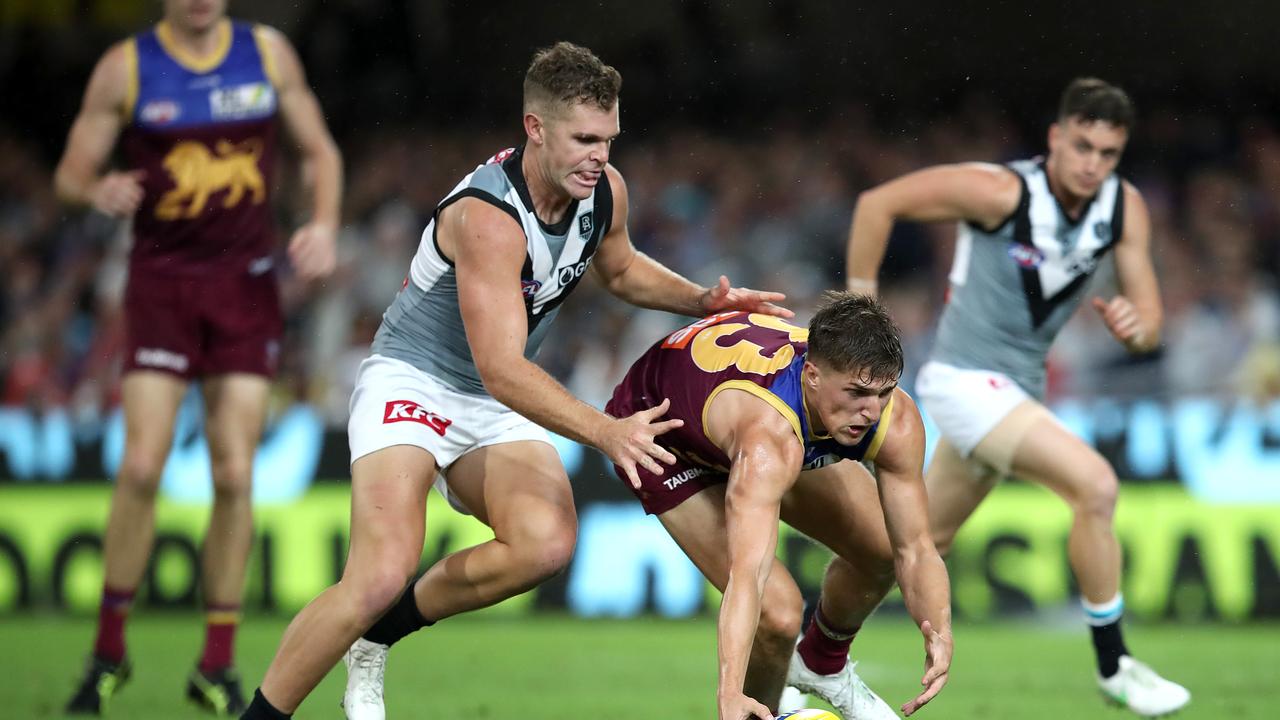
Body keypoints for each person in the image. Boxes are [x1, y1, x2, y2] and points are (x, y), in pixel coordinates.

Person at [239, 41, 789, 720]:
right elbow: (501, 368)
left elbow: (619, 269)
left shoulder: (602, 192)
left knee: (545, 545)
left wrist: (701, 299)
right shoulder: (488, 219)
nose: (600, 156)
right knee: (379, 573)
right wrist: (604, 431)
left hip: (492, 390)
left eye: (609, 140)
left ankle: (377, 639)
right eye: (584, 139)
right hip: (414, 382)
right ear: (535, 128)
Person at [844, 77, 1190, 717]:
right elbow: (876, 204)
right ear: (1056, 138)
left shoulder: (1123, 208)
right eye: (1082, 146)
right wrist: (862, 310)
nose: (1093, 164)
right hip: (965, 380)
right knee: (1095, 486)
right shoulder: (1001, 191)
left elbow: (1150, 318)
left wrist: (1139, 327)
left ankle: (807, 655)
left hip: (1016, 389)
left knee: (906, 545)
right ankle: (1116, 665)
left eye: (1108, 153)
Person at [55, 0, 342, 715]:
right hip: (161, 286)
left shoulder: (269, 53)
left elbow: (321, 151)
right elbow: (69, 174)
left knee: (235, 472)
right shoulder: (125, 68)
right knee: (143, 465)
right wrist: (96, 189)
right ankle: (108, 653)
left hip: (244, 290)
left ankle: (214, 664)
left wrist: (325, 222)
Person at [607, 294, 953, 720]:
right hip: (663, 436)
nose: (871, 411)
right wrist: (730, 690)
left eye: (884, 392)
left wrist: (940, 630)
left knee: (883, 547)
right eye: (858, 392)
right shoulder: (769, 442)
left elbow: (916, 548)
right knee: (779, 614)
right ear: (811, 376)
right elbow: (748, 575)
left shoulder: (891, 418)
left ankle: (822, 664)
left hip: (741, 410)